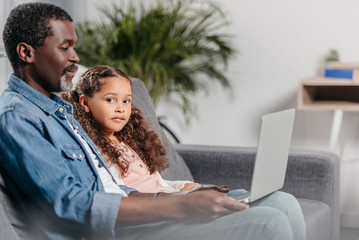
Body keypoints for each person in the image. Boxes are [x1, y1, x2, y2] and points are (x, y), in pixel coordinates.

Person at [0, 2, 306, 240]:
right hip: (110, 233)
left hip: (135, 219)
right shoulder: (17, 118)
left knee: (282, 202)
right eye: (65, 47)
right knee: (270, 220)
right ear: (26, 53)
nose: (76, 56)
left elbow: (111, 187)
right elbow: (70, 204)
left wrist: (177, 195)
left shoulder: (58, 108)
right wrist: (180, 206)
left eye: (74, 46)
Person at [63, 65, 199, 194]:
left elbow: (155, 184)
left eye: (126, 101)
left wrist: (182, 186)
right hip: (149, 208)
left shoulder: (129, 140)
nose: (120, 108)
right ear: (85, 103)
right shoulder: (93, 149)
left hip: (165, 199)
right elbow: (120, 194)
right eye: (110, 100)